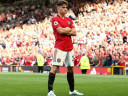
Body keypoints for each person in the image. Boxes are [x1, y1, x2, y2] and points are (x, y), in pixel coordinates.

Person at [47, 0, 84, 96]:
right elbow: (60, 31)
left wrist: (65, 30)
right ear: (58, 8)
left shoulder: (69, 20)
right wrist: (68, 30)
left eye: (66, 7)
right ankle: (50, 91)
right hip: (60, 46)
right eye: (63, 7)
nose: (65, 9)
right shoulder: (55, 19)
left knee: (70, 68)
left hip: (69, 47)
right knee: (55, 68)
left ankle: (72, 90)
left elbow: (74, 32)